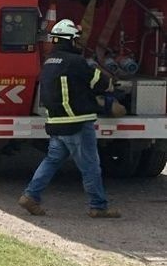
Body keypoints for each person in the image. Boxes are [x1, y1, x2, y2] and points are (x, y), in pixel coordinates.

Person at [18, 19, 121, 218]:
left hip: (56, 123)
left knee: (52, 160)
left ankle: (30, 196)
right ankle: (98, 206)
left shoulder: (49, 62)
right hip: (78, 124)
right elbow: (100, 82)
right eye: (76, 39)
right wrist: (111, 85)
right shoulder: (76, 62)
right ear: (71, 41)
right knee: (90, 165)